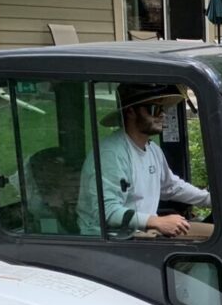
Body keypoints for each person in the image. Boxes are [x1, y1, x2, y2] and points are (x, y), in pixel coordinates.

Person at [77, 83, 211, 237]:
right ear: (131, 112)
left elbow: (171, 186)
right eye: (154, 109)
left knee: (218, 234)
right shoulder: (111, 154)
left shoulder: (153, 149)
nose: (162, 115)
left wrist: (208, 199)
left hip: (143, 231)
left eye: (163, 109)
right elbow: (106, 211)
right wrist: (157, 221)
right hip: (114, 240)